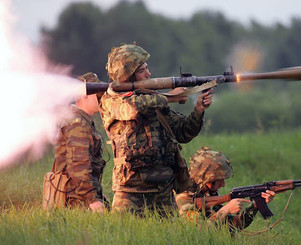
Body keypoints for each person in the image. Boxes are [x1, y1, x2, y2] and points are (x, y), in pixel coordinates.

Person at [99, 43, 213, 214]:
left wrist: (198, 110)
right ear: (127, 76)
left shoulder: (152, 99)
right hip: (130, 193)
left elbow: (183, 132)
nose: (149, 74)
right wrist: (168, 97)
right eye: (142, 70)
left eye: (147, 68)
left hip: (163, 192)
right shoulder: (111, 100)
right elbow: (132, 108)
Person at [175, 146, 275, 232]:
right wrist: (226, 209)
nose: (223, 184)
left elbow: (235, 225)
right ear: (207, 179)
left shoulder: (205, 194)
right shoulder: (183, 198)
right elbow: (200, 231)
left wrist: (255, 205)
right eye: (220, 180)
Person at [51, 72, 109, 213]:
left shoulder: (82, 121)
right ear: (85, 96)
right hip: (76, 202)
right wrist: (93, 201)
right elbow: (78, 166)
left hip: (78, 197)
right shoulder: (78, 124)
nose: (103, 99)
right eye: (99, 95)